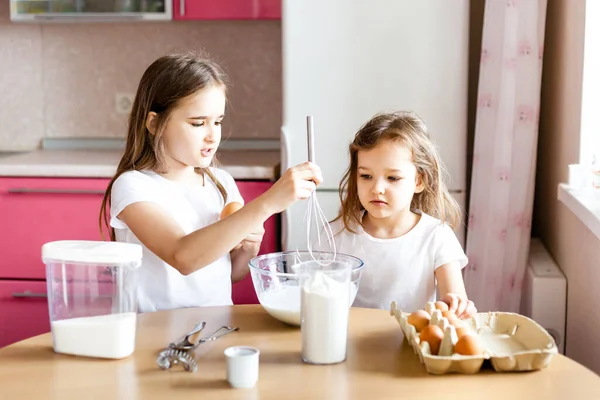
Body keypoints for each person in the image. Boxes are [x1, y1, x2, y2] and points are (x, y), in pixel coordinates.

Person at [99, 52, 322, 313]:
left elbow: (229, 273)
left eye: (217, 121)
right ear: (154, 122)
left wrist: (249, 249)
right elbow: (183, 257)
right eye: (198, 123)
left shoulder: (222, 183)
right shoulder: (134, 187)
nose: (212, 136)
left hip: (213, 327)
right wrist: (267, 204)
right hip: (152, 334)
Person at [325, 111, 476, 318]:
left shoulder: (437, 236)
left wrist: (459, 306)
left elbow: (455, 299)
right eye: (366, 176)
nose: (377, 188)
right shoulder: (336, 235)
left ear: (419, 181)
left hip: (409, 344)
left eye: (393, 178)